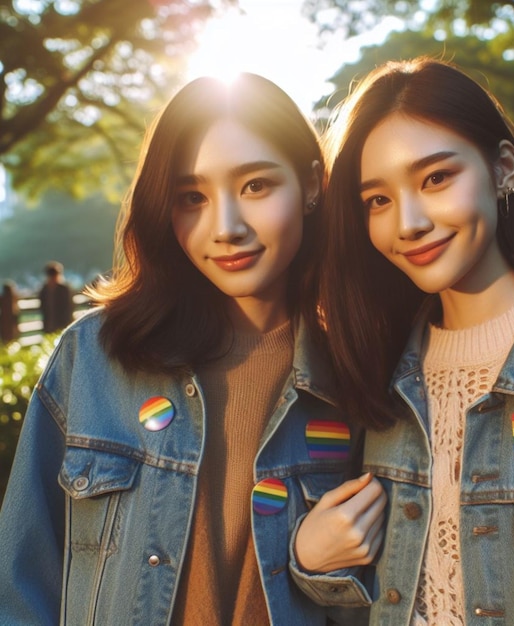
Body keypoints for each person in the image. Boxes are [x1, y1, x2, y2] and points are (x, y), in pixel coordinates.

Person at [0, 72, 385, 625]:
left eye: (255, 185)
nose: (225, 227)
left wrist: (313, 566)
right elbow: (20, 586)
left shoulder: (361, 369)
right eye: (192, 197)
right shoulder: (95, 359)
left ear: (311, 186)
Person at [294, 57, 514, 625]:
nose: (409, 222)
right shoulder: (373, 383)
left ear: (502, 169)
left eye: (436, 178)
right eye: (378, 199)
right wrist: (312, 562)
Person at [39, 260, 74, 333]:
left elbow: (69, 307)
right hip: (49, 323)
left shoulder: (64, 289)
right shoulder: (44, 290)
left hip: (62, 323)